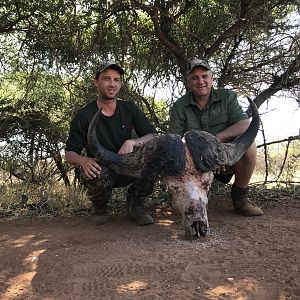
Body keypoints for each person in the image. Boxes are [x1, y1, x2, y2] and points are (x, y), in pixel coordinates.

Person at [65, 60, 158, 226]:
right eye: (106, 79)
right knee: (94, 171)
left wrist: (133, 142)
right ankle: (100, 207)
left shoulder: (129, 108)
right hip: (103, 169)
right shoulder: (83, 116)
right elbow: (69, 153)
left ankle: (135, 204)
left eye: (117, 80)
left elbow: (152, 136)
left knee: (152, 160)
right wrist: (83, 161)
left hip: (128, 165)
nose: (112, 84)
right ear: (96, 82)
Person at [168, 58, 263, 216]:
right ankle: (188, 198)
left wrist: (214, 144)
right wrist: (203, 155)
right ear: (188, 82)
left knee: (250, 146)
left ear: (212, 77)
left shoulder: (227, 96)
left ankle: (240, 197)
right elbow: (175, 141)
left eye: (204, 76)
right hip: (195, 162)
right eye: (195, 78)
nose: (200, 81)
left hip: (225, 159)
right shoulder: (179, 106)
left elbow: (245, 125)